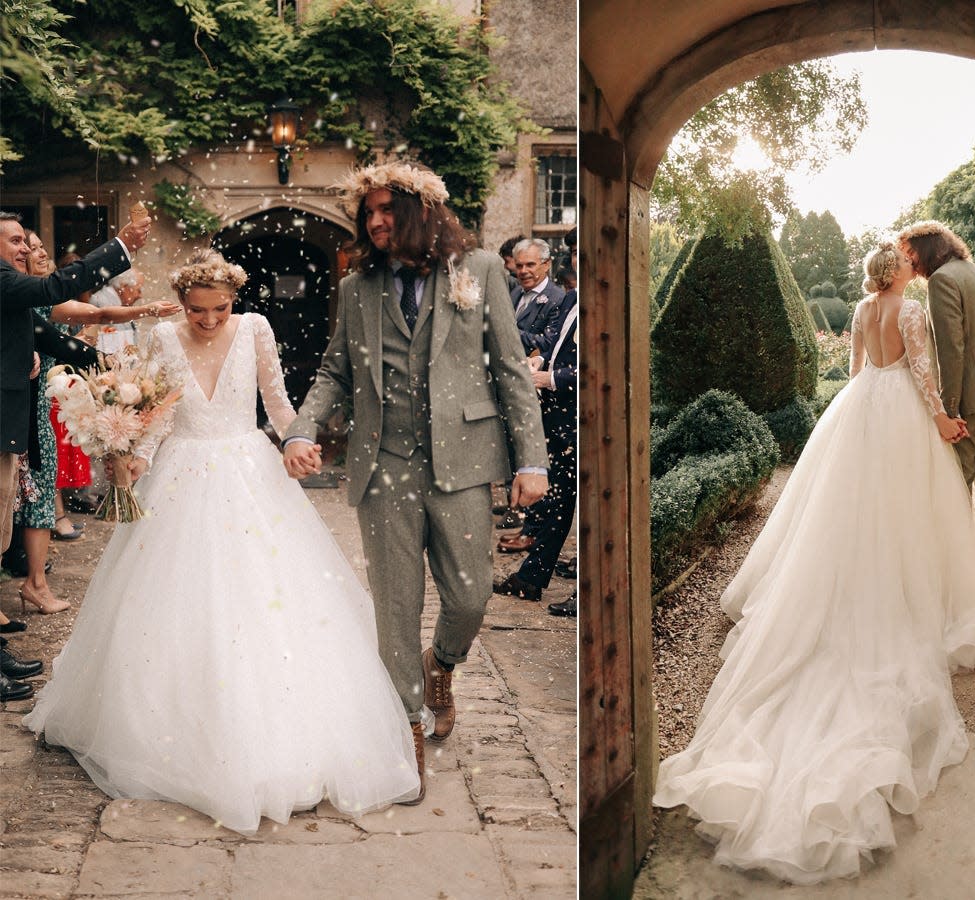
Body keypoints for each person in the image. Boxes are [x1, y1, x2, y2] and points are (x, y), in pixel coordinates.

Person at [23, 249, 421, 831]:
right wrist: (133, 456)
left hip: (247, 468)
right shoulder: (162, 335)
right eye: (196, 310)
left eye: (219, 309)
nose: (208, 321)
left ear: (235, 301)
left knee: (268, 597)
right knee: (169, 601)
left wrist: (295, 441)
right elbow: (156, 412)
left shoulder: (254, 328)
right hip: (178, 474)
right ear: (181, 303)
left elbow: (280, 404)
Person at [652, 242, 975, 884]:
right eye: (904, 262)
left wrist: (855, 417)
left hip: (859, 408)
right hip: (900, 408)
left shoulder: (862, 310)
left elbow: (851, 371)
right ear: (898, 273)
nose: (910, 265)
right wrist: (944, 421)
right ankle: (911, 599)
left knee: (845, 512)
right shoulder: (910, 311)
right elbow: (925, 375)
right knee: (909, 513)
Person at [282, 161, 548, 801]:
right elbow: (334, 371)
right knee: (394, 609)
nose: (374, 223)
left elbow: (511, 369)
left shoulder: (480, 271)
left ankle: (443, 667)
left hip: (463, 463)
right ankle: (404, 741)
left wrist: (531, 460)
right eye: (367, 213)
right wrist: (300, 428)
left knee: (470, 596)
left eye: (386, 212)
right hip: (385, 466)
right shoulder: (356, 287)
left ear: (422, 213)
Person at [11, 231, 177, 617]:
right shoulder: (27, 297)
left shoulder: (38, 299)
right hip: (29, 406)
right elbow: (78, 329)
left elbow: (97, 316)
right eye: (24, 247)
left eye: (37, 247)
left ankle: (35, 579)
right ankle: (33, 581)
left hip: (37, 406)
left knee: (35, 492)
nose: (33, 253)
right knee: (27, 496)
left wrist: (144, 311)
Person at [0, 210, 149, 557]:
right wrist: (120, 247)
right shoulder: (3, 280)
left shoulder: (10, 293)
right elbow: (56, 286)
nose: (24, 248)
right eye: (15, 241)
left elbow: (54, 341)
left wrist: (109, 367)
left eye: (26, 239)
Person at [897, 221, 975, 605]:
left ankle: (960, 581)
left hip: (970, 400)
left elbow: (951, 349)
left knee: (957, 485)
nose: (909, 261)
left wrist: (948, 411)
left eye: (911, 253)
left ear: (927, 249)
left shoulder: (942, 281)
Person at [494, 290, 578, 605]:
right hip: (556, 420)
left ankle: (581, 593)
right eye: (572, 254)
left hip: (581, 418)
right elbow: (555, 344)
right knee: (557, 503)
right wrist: (539, 360)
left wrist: (550, 378)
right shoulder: (570, 298)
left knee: (585, 511)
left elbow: (600, 368)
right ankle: (531, 579)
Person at [510, 238, 567, 356]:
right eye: (519, 266)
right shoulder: (514, 293)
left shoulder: (558, 299)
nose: (523, 271)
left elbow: (549, 342)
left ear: (546, 265)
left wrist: (507, 332)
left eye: (530, 265)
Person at [89, 268, 144, 354]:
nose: (140, 295)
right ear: (124, 286)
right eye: (139, 290)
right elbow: (108, 347)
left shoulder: (119, 303)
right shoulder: (101, 302)